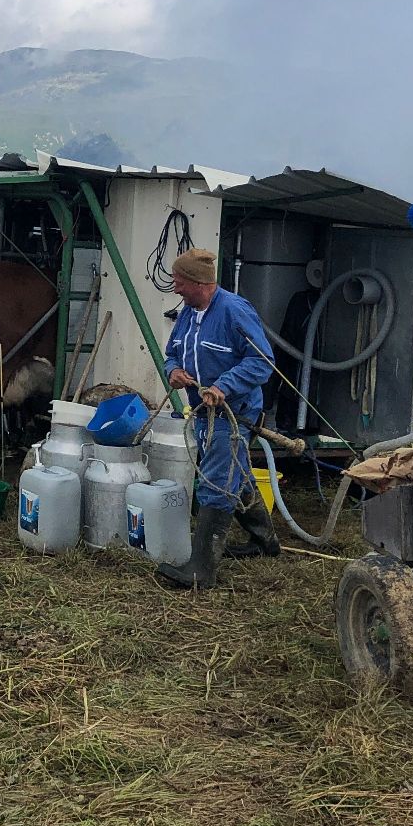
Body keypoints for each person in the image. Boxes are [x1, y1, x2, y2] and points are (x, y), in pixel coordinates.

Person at [157, 247, 278, 589]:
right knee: (235, 473)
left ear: (199, 283)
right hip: (204, 411)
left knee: (216, 480)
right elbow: (172, 353)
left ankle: (202, 568)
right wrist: (173, 371)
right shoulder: (188, 312)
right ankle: (265, 541)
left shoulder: (234, 311)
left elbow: (261, 362)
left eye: (179, 281)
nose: (176, 288)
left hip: (233, 412)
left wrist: (224, 385)